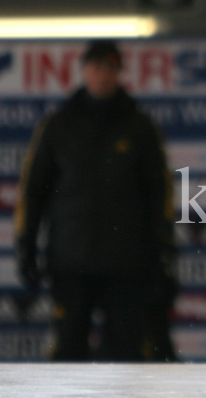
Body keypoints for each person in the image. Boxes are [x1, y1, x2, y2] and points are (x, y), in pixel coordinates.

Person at [15, 40, 176, 361]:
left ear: (119, 73)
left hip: (127, 263)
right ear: (84, 71)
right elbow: (34, 193)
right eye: (96, 67)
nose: (103, 75)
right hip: (71, 260)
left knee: (127, 354)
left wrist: (163, 251)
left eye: (110, 68)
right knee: (68, 352)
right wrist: (27, 247)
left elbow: (159, 195)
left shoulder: (139, 127)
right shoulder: (58, 126)